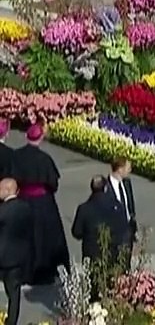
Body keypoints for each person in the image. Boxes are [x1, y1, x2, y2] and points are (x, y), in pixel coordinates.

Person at [10, 124, 68, 285]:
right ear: (40, 138)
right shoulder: (45, 159)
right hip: (43, 203)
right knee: (45, 237)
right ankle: (45, 271)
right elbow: (53, 184)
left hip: (22, 200)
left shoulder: (16, 156)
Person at [70, 176, 131, 287]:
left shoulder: (84, 208)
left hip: (92, 255)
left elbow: (76, 232)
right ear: (105, 188)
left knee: (95, 287)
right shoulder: (116, 205)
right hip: (114, 252)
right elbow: (124, 228)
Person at [0, 178, 31, 325]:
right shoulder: (26, 207)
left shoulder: (2, 211)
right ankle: (11, 321)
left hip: (2, 257)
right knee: (14, 293)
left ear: (6, 190)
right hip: (19, 257)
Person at [107, 157, 137, 264]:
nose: (130, 170)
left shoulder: (127, 183)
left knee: (126, 263)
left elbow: (130, 205)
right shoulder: (106, 187)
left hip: (128, 230)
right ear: (120, 169)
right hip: (115, 233)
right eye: (128, 167)